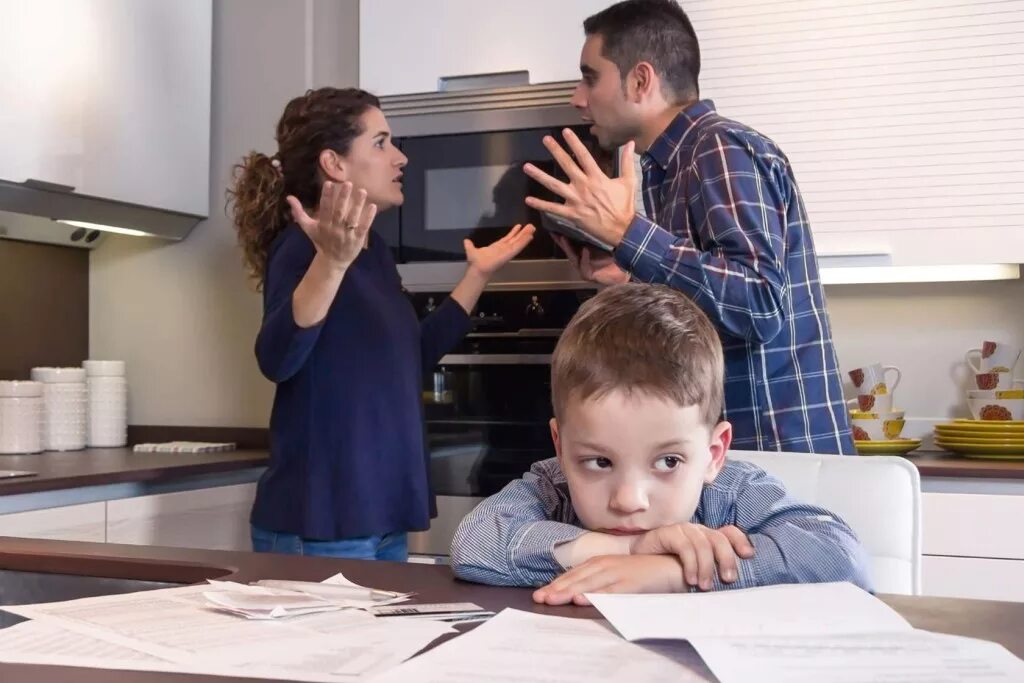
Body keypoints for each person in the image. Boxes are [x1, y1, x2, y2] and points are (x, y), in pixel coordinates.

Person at [523, 0, 853, 454]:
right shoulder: (666, 168)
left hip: (779, 457)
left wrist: (627, 234)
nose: (578, 97)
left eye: (590, 77)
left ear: (640, 80)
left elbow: (760, 303)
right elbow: (713, 307)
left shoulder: (717, 147)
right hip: (736, 458)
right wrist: (629, 278)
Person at [228, 87, 534, 561]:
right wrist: (331, 262)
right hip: (324, 523)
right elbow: (277, 357)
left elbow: (411, 356)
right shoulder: (302, 247)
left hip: (381, 518)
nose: (400, 157)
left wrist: (478, 275)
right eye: (381, 142)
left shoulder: (373, 255)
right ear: (335, 163)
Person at [450, 284, 871, 604]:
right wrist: (629, 548)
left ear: (713, 454)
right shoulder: (551, 484)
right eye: (598, 462)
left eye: (668, 461)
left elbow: (841, 556)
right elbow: (473, 544)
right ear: (560, 447)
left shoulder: (733, 492)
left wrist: (672, 572)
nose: (629, 501)